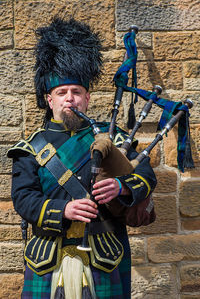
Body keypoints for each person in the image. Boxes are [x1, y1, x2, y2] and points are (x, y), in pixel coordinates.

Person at [8, 18, 157, 299]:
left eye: (76, 92)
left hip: (105, 256)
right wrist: (63, 210)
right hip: (46, 258)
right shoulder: (29, 148)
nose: (69, 99)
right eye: (61, 92)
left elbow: (147, 175)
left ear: (87, 98)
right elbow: (23, 198)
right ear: (49, 100)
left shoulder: (113, 137)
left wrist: (122, 187)